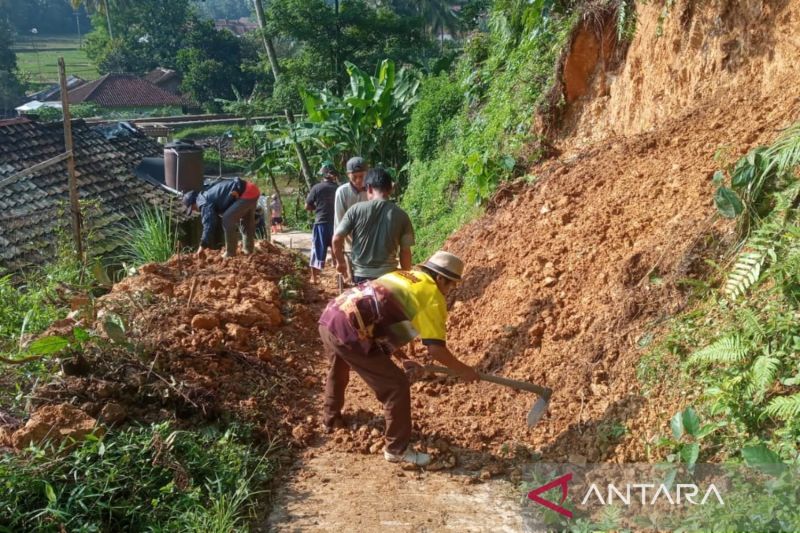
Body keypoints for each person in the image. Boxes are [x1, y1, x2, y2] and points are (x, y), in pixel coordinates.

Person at [319, 251, 479, 466]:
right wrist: (464, 369)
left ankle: (330, 419)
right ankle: (397, 450)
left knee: (338, 367)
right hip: (352, 332)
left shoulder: (403, 276)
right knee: (396, 386)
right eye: (451, 285)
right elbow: (436, 350)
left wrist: (402, 357)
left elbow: (381, 321)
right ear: (440, 278)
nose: (450, 292)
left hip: (331, 318)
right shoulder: (432, 295)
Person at [332, 167, 414, 283]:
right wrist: (406, 276)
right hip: (389, 277)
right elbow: (405, 251)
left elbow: (337, 239)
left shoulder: (355, 210)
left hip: (361, 276)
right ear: (390, 189)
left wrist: (340, 263)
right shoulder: (402, 215)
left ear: (369, 188)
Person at [183, 177, 260, 258]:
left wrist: (202, 246)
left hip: (245, 193)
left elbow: (209, 224)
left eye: (193, 208)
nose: (195, 210)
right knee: (246, 221)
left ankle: (230, 253)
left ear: (193, 203)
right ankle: (249, 250)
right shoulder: (206, 193)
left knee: (227, 219)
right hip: (252, 190)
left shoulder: (202, 202)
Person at [333, 156, 369, 282]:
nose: (359, 180)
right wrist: (339, 257)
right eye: (355, 177)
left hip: (372, 243)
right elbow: (339, 222)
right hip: (351, 244)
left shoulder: (373, 190)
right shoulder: (342, 192)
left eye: (362, 176)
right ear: (348, 175)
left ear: (367, 174)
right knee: (356, 281)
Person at [306, 161, 340, 284]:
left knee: (317, 250)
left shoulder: (317, 188)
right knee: (337, 250)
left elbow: (307, 206)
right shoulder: (338, 189)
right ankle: (339, 277)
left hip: (321, 222)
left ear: (323, 174)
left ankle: (314, 278)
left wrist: (318, 208)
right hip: (336, 224)